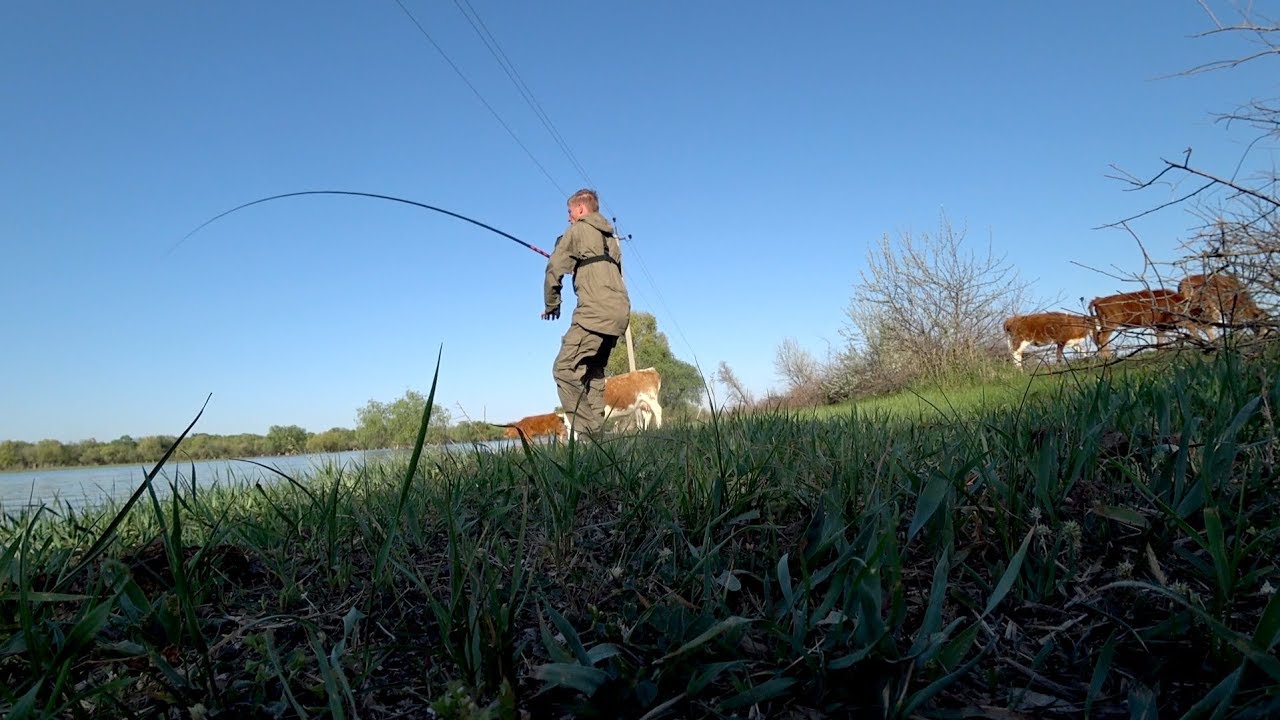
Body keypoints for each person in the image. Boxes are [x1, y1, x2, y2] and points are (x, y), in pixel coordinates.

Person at [542, 188, 631, 438]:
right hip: (619, 313)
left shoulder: (578, 229)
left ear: (581, 209)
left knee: (564, 369)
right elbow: (597, 269)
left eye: (570, 212)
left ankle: (593, 434)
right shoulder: (611, 240)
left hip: (595, 312)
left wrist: (552, 304)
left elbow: (553, 270)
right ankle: (596, 450)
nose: (569, 217)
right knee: (591, 373)